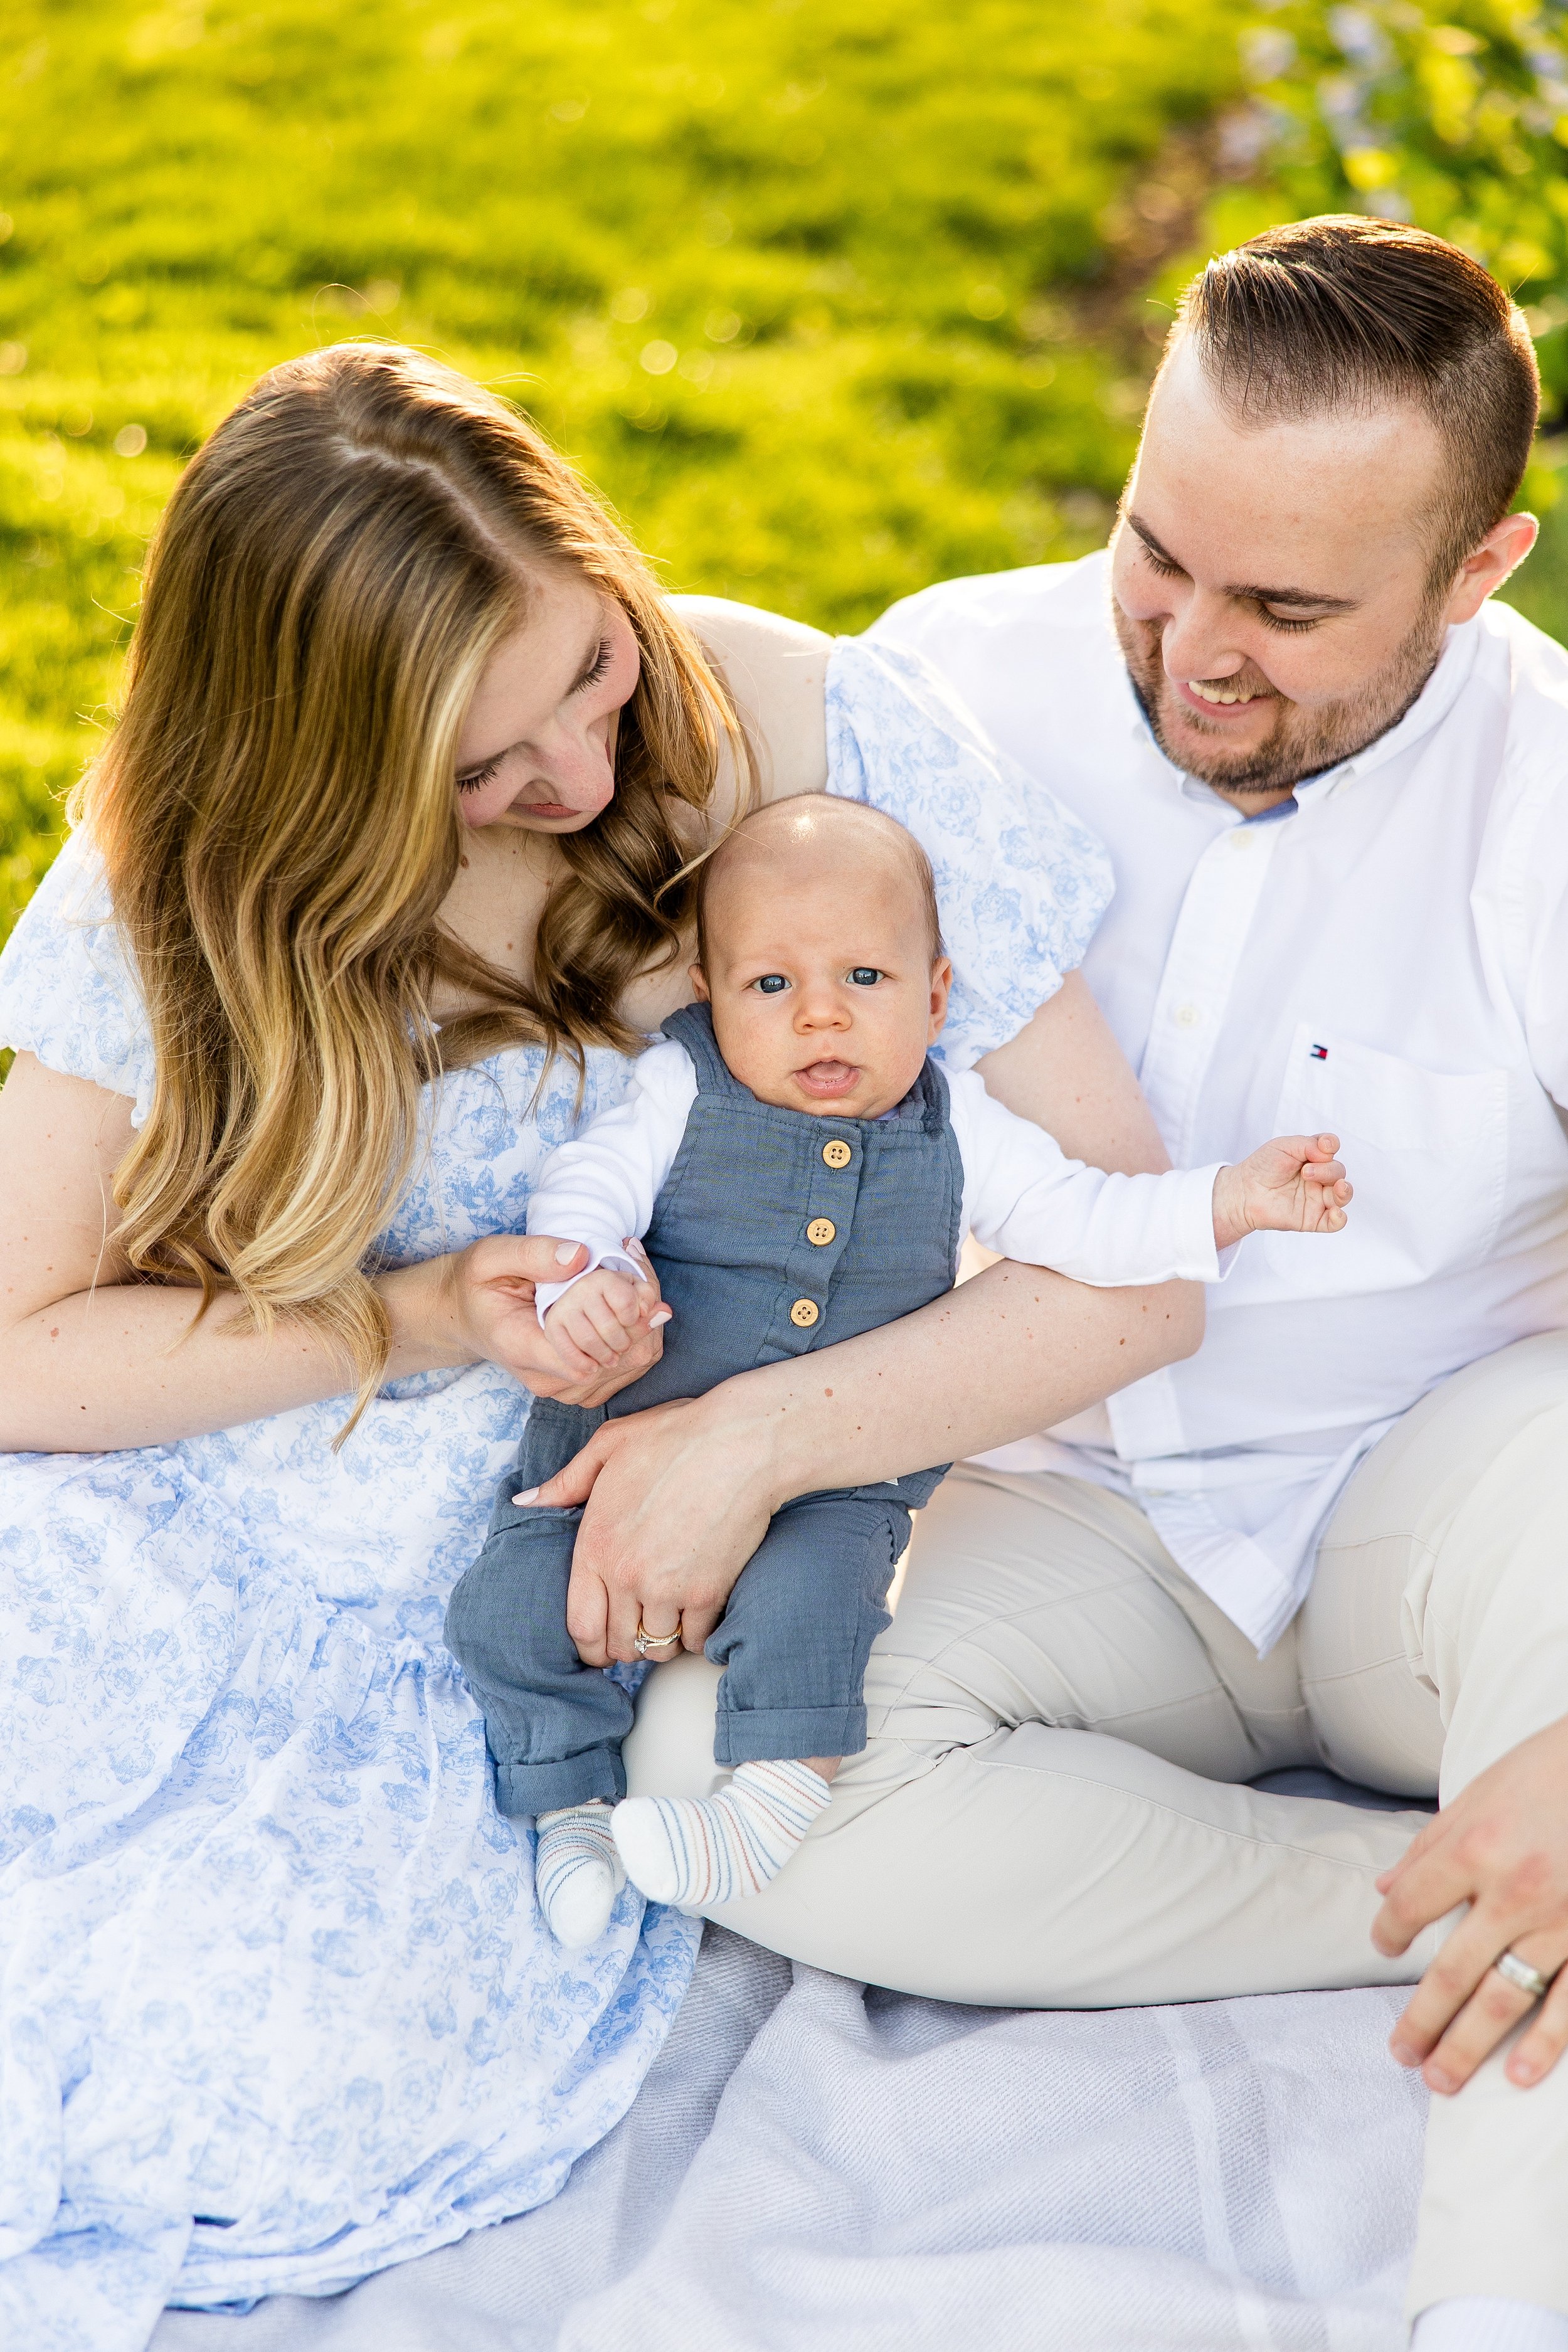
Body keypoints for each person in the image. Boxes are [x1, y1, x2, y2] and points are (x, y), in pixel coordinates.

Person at [0, 340, 1191, 2333]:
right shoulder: (178, 871)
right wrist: (398, 1311)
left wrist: (755, 1442)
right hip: (161, 1514)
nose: (568, 778)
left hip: (492, 1611)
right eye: (475, 770)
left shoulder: (816, 744)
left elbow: (1140, 1262)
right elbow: (24, 1348)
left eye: (588, 668)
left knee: (227, 2072)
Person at [551, 220, 1568, 2348]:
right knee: (719, 1780)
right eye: (1156, 553)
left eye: (1290, 608)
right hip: (1059, 1491)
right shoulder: (947, 696)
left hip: (1450, 1501)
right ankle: (1423, 1908)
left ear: (1481, 572)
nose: (1194, 648)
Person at [444, 795, 1350, 1947]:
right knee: (508, 1609)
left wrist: (1233, 1197)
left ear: (934, 995)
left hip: (841, 1480)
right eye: (770, 986)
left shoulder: (961, 1123)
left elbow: (1089, 1219)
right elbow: (592, 1180)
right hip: (613, 1444)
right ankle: (568, 1804)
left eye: (865, 979)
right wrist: (588, 1279)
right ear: (710, 999)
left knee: (820, 1613)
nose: (820, 1014)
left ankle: (763, 1811)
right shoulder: (682, 1089)